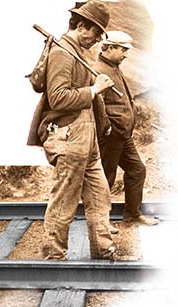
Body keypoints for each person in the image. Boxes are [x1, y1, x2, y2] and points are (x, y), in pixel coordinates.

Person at [27, 0, 118, 260]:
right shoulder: (62, 52)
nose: (97, 39)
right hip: (69, 136)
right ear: (80, 26)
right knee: (64, 202)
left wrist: (104, 121)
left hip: (87, 138)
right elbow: (58, 98)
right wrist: (94, 90)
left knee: (100, 196)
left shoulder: (78, 51)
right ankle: (53, 257)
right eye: (96, 33)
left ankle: (103, 250)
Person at [93, 30, 159, 226]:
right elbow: (98, 105)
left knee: (137, 170)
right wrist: (108, 128)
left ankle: (132, 215)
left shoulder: (112, 66)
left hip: (122, 134)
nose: (125, 54)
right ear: (110, 48)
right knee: (106, 178)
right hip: (112, 135)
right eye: (123, 50)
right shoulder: (99, 70)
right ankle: (100, 225)